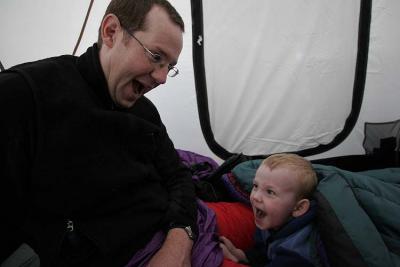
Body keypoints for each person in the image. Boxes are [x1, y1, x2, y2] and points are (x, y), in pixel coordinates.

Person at [0, 1, 198, 266]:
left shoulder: (145, 112)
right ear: (111, 32)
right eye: (155, 56)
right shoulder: (24, 95)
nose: (162, 78)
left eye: (169, 66)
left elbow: (178, 175)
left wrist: (180, 239)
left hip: (175, 237)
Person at [219, 153, 327, 267]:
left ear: (298, 208)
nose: (255, 196)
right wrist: (242, 255)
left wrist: (236, 263)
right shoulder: (272, 220)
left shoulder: (296, 253)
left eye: (270, 192)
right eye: (256, 186)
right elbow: (262, 252)